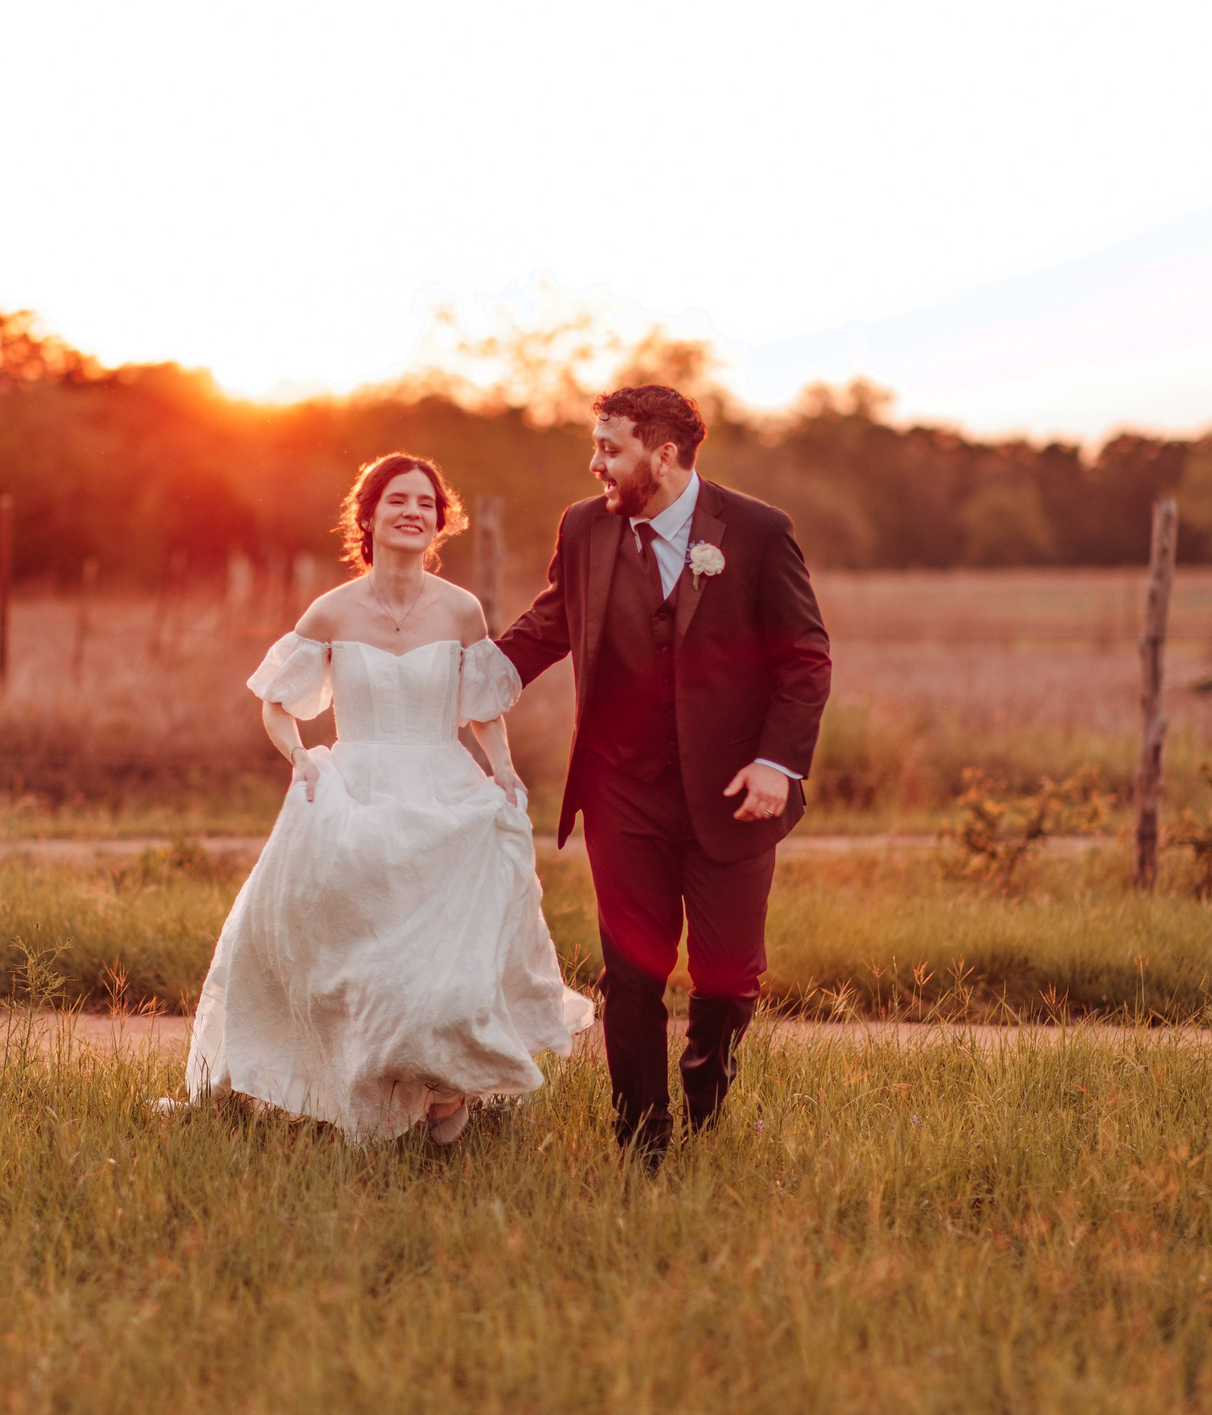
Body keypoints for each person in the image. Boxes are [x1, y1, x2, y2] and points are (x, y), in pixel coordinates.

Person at [182, 453, 595, 1143]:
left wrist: (502, 768)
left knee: (446, 945)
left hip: (443, 783)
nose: (412, 511)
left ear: (440, 521)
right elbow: (277, 703)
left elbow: (480, 703)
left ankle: (442, 1082)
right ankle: (366, 1079)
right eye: (397, 499)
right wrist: (301, 759)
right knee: (361, 950)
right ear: (369, 516)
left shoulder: (461, 607)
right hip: (357, 786)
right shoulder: (332, 608)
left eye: (426, 503)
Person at [495, 385, 832, 1167]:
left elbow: (804, 660)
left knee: (725, 976)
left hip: (734, 793)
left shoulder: (755, 531)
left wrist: (777, 763)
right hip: (622, 790)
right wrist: (450, 676)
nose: (596, 464)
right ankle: (641, 1141)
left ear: (665, 454)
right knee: (632, 973)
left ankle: (706, 1114)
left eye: (609, 448)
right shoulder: (585, 527)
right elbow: (549, 625)